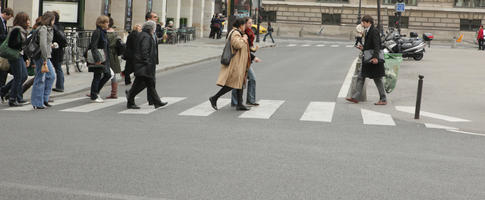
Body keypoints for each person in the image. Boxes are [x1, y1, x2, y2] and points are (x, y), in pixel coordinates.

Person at [209, 18, 251, 111]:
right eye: (244, 25)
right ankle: (214, 98)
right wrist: (244, 39)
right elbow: (237, 45)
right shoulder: (235, 33)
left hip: (239, 63)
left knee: (239, 83)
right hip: (235, 63)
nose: (245, 27)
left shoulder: (238, 33)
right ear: (241, 25)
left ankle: (239, 104)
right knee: (231, 84)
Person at [346, 15, 387, 106]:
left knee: (377, 79)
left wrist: (376, 57)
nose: (362, 24)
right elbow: (370, 45)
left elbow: (377, 45)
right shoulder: (368, 31)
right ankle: (355, 97)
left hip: (373, 59)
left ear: (369, 22)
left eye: (364, 22)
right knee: (361, 77)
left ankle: (383, 99)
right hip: (368, 59)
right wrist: (363, 48)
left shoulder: (374, 31)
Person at [126, 21, 167, 109]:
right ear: (151, 28)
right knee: (146, 83)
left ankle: (156, 102)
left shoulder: (144, 35)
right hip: (144, 64)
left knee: (149, 84)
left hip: (143, 64)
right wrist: (147, 61)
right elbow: (144, 50)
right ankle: (130, 98)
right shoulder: (146, 36)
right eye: (154, 28)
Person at [0, 12, 30, 107]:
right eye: (27, 20)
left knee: (24, 76)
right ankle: (13, 99)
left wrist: (26, 58)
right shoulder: (16, 30)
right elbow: (12, 44)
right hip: (14, 55)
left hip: (19, 55)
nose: (29, 22)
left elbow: (22, 47)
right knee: (18, 77)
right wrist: (23, 43)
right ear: (23, 21)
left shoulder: (22, 30)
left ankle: (4, 90)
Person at [231, 17, 261, 107]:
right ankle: (236, 101)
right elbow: (243, 48)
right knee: (240, 81)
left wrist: (253, 50)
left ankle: (244, 101)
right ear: (243, 24)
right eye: (249, 23)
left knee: (242, 80)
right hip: (241, 60)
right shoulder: (242, 34)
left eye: (251, 23)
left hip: (246, 60)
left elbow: (248, 48)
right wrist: (254, 56)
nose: (251, 25)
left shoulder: (249, 33)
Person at [31, 11, 56, 109]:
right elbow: (42, 44)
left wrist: (51, 46)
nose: (54, 22)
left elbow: (46, 43)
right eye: (53, 20)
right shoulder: (43, 29)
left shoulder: (49, 29)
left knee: (51, 76)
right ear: (50, 20)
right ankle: (37, 102)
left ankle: (44, 98)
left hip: (46, 55)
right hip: (42, 56)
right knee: (40, 78)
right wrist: (45, 58)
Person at [89, 15, 112, 103]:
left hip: (105, 58)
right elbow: (93, 46)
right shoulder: (97, 32)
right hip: (99, 58)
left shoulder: (104, 32)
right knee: (97, 76)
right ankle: (94, 95)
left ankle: (95, 92)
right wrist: (97, 59)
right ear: (102, 23)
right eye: (107, 22)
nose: (108, 24)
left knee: (108, 75)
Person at [106, 17, 123, 99]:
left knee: (101, 73)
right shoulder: (115, 33)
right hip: (114, 54)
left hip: (106, 54)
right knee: (113, 75)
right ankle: (114, 92)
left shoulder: (105, 33)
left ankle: (95, 91)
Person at [51, 11, 67, 93]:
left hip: (54, 51)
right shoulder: (60, 26)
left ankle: (60, 86)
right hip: (59, 50)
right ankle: (60, 85)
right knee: (58, 68)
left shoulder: (53, 27)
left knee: (57, 68)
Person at [0, 8, 14, 88]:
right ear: (5, 14)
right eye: (8, 17)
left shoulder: (4, 21)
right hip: (1, 46)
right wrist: (6, 37)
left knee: (3, 69)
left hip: (3, 48)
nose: (8, 19)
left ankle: (2, 86)